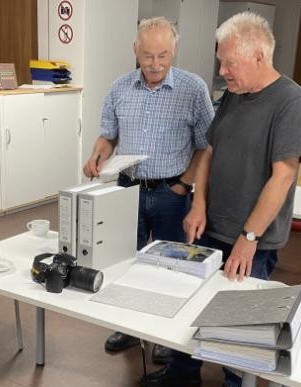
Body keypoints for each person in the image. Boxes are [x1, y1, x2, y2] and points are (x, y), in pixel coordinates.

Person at [141, 11, 301, 387]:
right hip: (211, 225)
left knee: (241, 316)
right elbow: (210, 152)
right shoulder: (234, 95)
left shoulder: (290, 101)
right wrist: (198, 205)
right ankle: (185, 369)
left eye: (229, 62)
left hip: (254, 238)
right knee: (194, 303)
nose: (222, 71)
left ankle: (237, 383)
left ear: (258, 56)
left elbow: (282, 176)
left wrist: (250, 236)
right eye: (221, 61)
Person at [83, 17, 214, 361]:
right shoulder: (119, 88)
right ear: (135, 52)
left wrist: (184, 184)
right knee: (130, 264)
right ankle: (131, 329)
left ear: (175, 51)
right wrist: (97, 154)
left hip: (172, 193)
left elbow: (206, 145)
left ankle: (170, 345)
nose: (155, 64)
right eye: (147, 56)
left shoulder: (193, 88)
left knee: (173, 271)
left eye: (163, 56)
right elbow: (108, 136)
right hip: (128, 190)